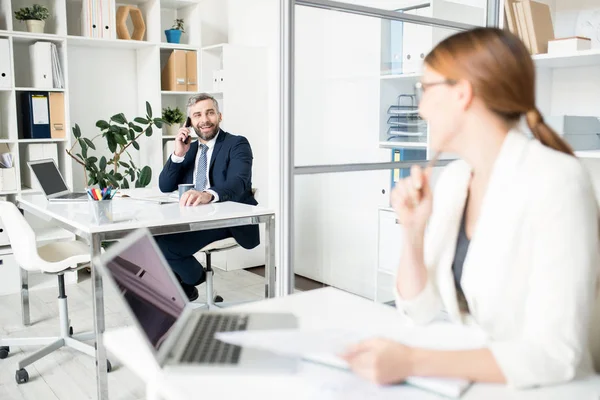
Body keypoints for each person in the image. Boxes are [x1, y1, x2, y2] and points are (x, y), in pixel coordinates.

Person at [341, 27, 600, 389]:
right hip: (482, 379)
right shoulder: (456, 180)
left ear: (461, 93)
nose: (420, 107)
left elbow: (554, 354)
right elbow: (419, 309)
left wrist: (412, 361)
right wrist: (413, 232)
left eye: (425, 89)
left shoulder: (557, 181)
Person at [156, 93, 259, 301]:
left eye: (210, 113)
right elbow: (164, 185)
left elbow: (239, 182)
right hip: (193, 219)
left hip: (227, 219)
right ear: (190, 122)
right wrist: (178, 153)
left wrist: (207, 195)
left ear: (219, 116)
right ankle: (186, 284)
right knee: (152, 238)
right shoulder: (190, 149)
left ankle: (192, 280)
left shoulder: (237, 144)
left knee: (165, 246)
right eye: (197, 115)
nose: (204, 120)